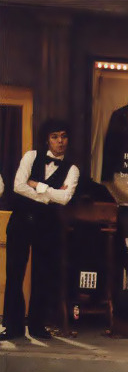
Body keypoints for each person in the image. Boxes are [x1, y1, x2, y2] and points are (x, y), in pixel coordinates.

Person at [1, 119, 79, 340]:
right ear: (47, 139)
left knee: (42, 275)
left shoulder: (72, 169)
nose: (60, 141)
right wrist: (49, 196)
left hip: (47, 226)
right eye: (55, 137)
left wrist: (38, 185)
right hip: (20, 221)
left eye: (63, 136)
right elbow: (18, 186)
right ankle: (13, 327)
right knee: (14, 274)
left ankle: (37, 326)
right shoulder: (31, 156)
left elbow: (65, 198)